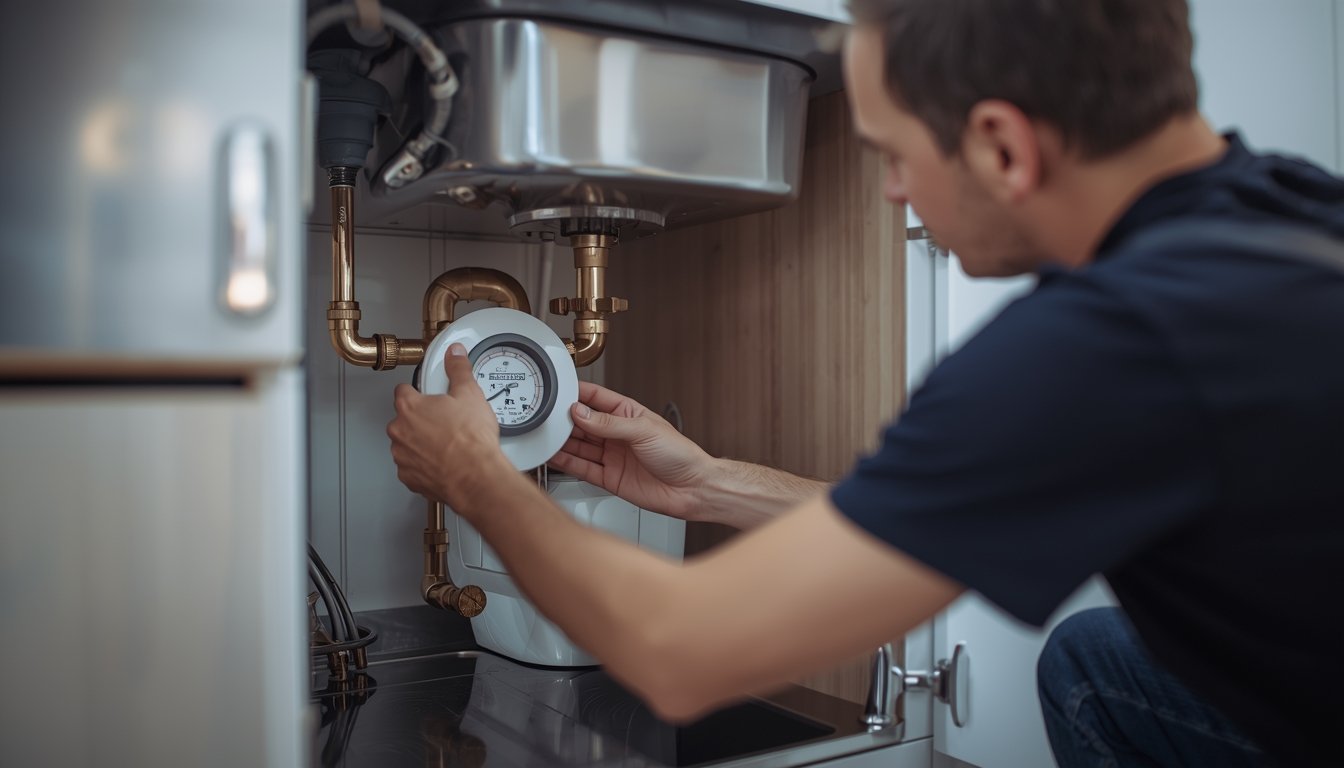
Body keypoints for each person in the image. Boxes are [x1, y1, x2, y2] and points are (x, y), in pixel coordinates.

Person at [387, 0, 1344, 765]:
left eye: (892, 152)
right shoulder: (1285, 209)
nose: (891, 191)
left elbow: (677, 653)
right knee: (1095, 659)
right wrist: (705, 484)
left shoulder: (1108, 340)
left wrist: (473, 475)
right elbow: (931, 522)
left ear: (1003, 144)